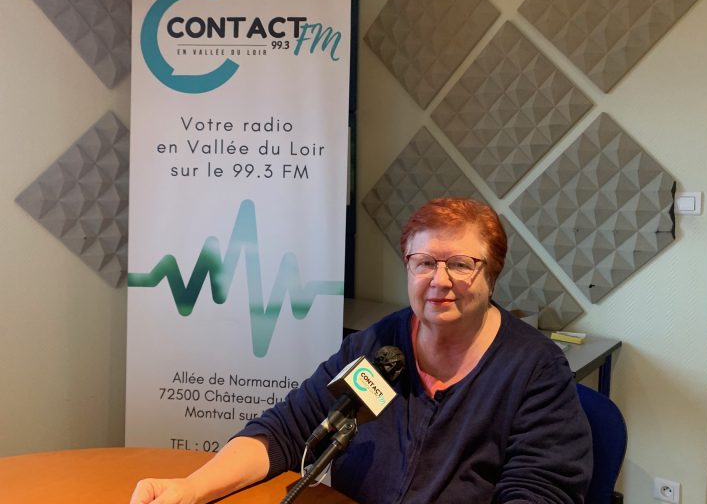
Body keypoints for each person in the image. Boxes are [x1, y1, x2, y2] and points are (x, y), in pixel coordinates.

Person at [130, 197, 593, 504]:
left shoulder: (533, 369)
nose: (440, 280)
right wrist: (190, 489)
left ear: (491, 274)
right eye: (424, 263)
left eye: (460, 264)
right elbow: (285, 430)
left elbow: (541, 491)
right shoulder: (378, 347)